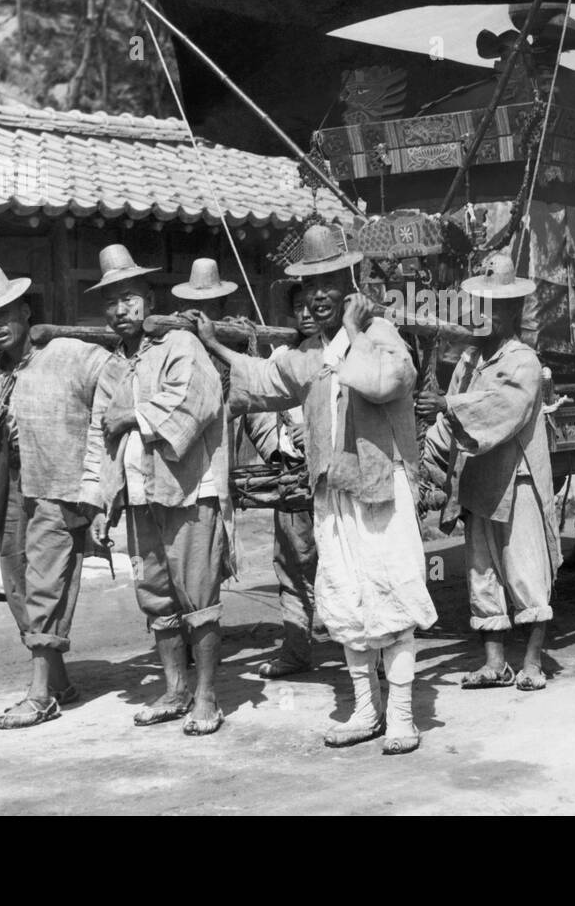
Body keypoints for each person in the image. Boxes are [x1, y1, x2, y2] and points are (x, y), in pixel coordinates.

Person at [204, 224, 437, 755]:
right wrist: (215, 343)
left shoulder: (381, 338)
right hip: (333, 496)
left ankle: (401, 716)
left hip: (381, 491)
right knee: (345, 600)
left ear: (349, 281)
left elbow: (382, 382)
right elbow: (265, 378)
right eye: (307, 287)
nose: (315, 296)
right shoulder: (313, 353)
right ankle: (365, 709)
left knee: (393, 599)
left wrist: (355, 333)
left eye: (327, 282)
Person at [79, 245, 236, 737]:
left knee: (197, 594)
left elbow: (198, 400)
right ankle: (174, 689)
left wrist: (135, 416)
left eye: (129, 298)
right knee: (156, 596)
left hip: (188, 490)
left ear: (148, 299)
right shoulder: (112, 368)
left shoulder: (180, 346)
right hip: (139, 495)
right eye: (111, 302)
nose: (121, 310)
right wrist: (98, 501)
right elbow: (97, 434)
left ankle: (207, 694)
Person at [0, 263, 110, 730]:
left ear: (26, 312)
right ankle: (60, 682)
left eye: (5, 314)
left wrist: (95, 472)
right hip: (11, 489)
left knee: (47, 583)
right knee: (17, 582)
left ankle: (41, 694)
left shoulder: (67, 353)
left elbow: (115, 376)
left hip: (56, 486)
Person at [416, 254, 560, 692]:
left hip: (517, 480)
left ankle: (533, 663)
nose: (484, 316)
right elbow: (450, 419)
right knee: (483, 573)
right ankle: (495, 663)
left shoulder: (524, 361)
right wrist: (425, 461)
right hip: (477, 479)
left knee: (525, 568)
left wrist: (448, 406)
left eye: (493, 308)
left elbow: (503, 409)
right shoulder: (470, 360)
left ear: (512, 312)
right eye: (480, 306)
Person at [184, 273, 321, 679]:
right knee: (291, 566)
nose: (307, 314)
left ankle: (373, 655)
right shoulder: (276, 357)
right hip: (290, 477)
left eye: (313, 305)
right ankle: (297, 650)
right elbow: (243, 404)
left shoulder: (330, 353)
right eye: (299, 308)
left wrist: (313, 429)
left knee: (345, 568)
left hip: (332, 478)